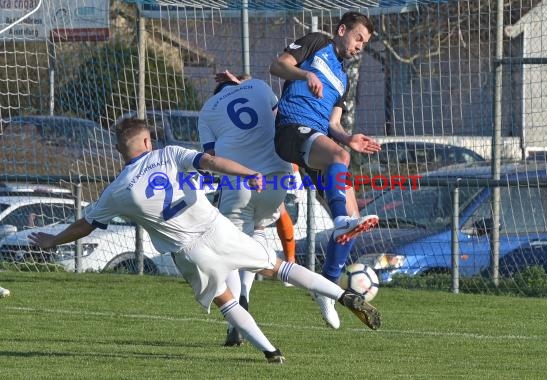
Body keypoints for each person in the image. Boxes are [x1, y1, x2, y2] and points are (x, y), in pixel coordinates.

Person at [28, 118, 381, 364]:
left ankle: (272, 352)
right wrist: (249, 173)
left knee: (228, 302)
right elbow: (210, 161)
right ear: (148, 141)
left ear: (120, 149)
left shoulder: (117, 191)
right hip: (217, 228)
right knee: (280, 268)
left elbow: (86, 225)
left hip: (189, 251)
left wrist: (53, 241)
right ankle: (343, 295)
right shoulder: (166, 154)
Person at [270, 11, 381, 329]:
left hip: (316, 139)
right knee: (339, 158)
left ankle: (327, 289)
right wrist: (305, 76)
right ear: (342, 30)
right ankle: (342, 222)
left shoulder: (344, 80)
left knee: (350, 213)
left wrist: (350, 137)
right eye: (358, 38)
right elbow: (277, 66)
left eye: (365, 43)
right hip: (291, 130)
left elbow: (333, 124)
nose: (360, 46)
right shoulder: (316, 42)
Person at [198, 70, 293, 346]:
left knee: (228, 249)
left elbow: (212, 157)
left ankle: (237, 313)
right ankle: (248, 294)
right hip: (277, 179)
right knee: (259, 230)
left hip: (240, 182)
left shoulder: (208, 110)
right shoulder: (260, 88)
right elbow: (278, 119)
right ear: (239, 84)